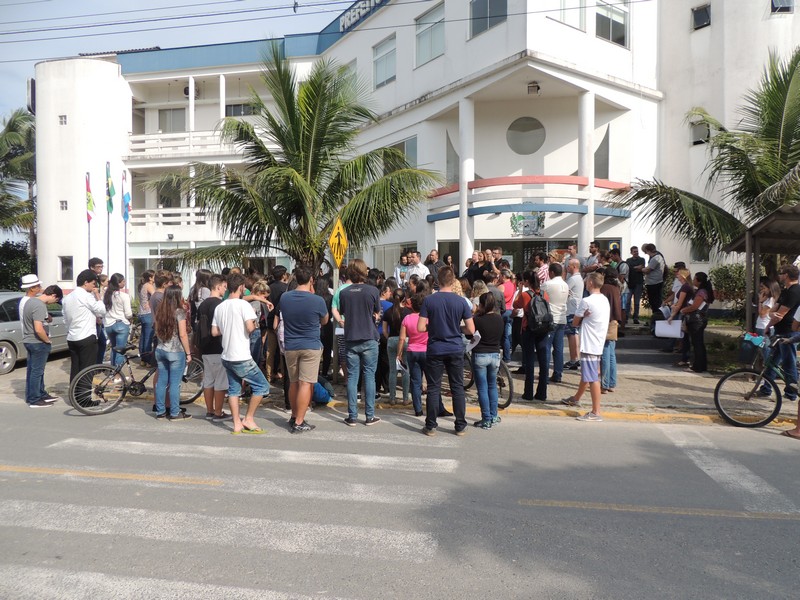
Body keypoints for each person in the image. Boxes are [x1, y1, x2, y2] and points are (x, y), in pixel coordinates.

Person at [418, 266, 475, 436]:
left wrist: (434, 326)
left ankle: (431, 425)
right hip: (455, 347)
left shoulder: (429, 300)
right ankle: (460, 425)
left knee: (434, 387)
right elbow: (471, 329)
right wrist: (456, 328)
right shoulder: (461, 302)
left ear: (437, 281)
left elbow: (421, 327)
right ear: (453, 281)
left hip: (435, 347)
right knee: (457, 387)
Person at [212, 272, 271, 434]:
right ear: (241, 287)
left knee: (234, 390)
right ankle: (249, 418)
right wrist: (253, 325)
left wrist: (229, 329)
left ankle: (237, 423)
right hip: (241, 355)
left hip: (227, 355)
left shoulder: (220, 306)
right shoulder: (244, 306)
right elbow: (250, 328)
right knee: (262, 386)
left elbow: (214, 332)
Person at [280, 266, 329, 433]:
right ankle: (300, 421)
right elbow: (324, 321)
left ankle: (294, 416)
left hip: (291, 345)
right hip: (310, 345)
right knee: (306, 383)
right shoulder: (317, 300)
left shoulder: (285, 297)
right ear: (311, 280)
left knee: (293, 382)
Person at [339, 259, 382, 426]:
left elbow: (343, 312)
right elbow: (377, 311)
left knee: (352, 377)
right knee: (369, 376)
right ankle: (370, 415)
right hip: (369, 337)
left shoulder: (344, 292)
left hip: (351, 337)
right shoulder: (372, 290)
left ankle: (352, 415)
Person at [561, 272, 610, 421]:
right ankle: (576, 398)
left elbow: (575, 322)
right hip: (598, 341)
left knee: (592, 377)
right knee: (587, 373)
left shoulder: (587, 301)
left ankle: (596, 411)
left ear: (590, 283)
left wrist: (581, 318)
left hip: (589, 343)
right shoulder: (604, 299)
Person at [63, 269, 106, 401]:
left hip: (72, 336)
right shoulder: (86, 296)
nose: (94, 286)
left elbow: (65, 319)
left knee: (76, 368)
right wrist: (98, 296)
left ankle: (75, 398)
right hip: (86, 336)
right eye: (93, 283)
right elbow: (102, 311)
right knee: (87, 370)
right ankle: (84, 400)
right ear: (85, 282)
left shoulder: (68, 297)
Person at [21, 276, 62, 407]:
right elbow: (38, 329)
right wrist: (47, 340)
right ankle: (34, 399)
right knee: (37, 371)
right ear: (53, 295)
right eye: (56, 300)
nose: (40, 288)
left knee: (34, 370)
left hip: (29, 340)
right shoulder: (38, 305)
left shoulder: (29, 302)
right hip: (37, 342)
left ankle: (38, 395)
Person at [195, 274, 231, 422]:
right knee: (220, 382)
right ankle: (218, 412)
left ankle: (210, 410)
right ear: (217, 287)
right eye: (224, 287)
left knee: (208, 381)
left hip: (205, 347)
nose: (225, 289)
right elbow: (221, 326)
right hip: (217, 346)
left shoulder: (203, 304)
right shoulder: (218, 305)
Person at [153, 287, 193, 421]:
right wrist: (188, 353)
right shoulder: (179, 312)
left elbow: (156, 328)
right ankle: (175, 412)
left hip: (161, 349)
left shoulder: (160, 310)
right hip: (176, 351)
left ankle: (160, 412)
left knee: (161, 382)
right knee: (175, 383)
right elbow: (183, 334)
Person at [513, 271, 550, 402]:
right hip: (543, 329)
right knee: (543, 361)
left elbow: (515, 305)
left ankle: (528, 393)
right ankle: (542, 393)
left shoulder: (524, 295)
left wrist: (521, 289)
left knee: (529, 361)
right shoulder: (545, 294)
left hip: (528, 328)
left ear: (527, 281)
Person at [471, 292, 504, 429]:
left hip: (480, 355)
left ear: (482, 305)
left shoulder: (477, 319)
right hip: (495, 355)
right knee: (492, 386)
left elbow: (469, 334)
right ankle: (494, 415)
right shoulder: (499, 319)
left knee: (482, 389)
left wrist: (476, 313)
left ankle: (486, 418)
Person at [397, 293, 428, 416]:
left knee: (415, 381)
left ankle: (418, 409)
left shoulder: (407, 318)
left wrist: (399, 354)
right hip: (426, 351)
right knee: (431, 380)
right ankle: (432, 406)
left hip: (412, 350)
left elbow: (402, 338)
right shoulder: (427, 318)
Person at [681, 272, 714, 374]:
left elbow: (695, 306)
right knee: (699, 344)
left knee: (697, 344)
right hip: (699, 320)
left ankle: (698, 366)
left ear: (699, 281)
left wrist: (684, 310)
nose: (693, 281)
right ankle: (702, 365)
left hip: (696, 321)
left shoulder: (701, 293)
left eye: (695, 279)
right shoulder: (702, 291)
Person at [383, 288, 410, 406]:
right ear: (404, 298)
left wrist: (390, 337)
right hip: (405, 341)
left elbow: (384, 330)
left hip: (392, 340)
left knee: (392, 370)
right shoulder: (408, 312)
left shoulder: (388, 311)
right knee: (405, 370)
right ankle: (405, 398)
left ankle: (392, 398)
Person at [542, 262, 569, 383]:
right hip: (562, 319)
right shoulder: (565, 285)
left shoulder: (548, 284)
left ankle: (545, 374)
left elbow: (540, 297)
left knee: (546, 347)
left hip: (551, 319)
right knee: (558, 349)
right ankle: (558, 374)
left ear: (552, 272)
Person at [100, 273, 133, 367]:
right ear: (118, 283)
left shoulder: (106, 295)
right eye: (123, 281)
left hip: (109, 325)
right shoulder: (124, 296)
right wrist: (131, 319)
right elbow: (128, 314)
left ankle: (113, 372)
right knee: (120, 350)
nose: (124, 283)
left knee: (114, 349)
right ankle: (117, 375)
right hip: (121, 324)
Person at [599, 267, 623, 393]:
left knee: (605, 354)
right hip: (614, 321)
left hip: (606, 321)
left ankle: (605, 384)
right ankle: (612, 382)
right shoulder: (616, 288)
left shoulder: (604, 288)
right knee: (612, 354)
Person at [666, 269, 694, 366]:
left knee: (684, 336)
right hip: (683, 312)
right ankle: (685, 357)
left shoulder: (685, 287)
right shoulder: (685, 286)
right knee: (684, 336)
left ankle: (685, 359)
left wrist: (672, 314)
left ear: (683, 276)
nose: (677, 275)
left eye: (678, 274)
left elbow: (680, 303)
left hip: (683, 313)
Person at [564, 258, 584, 370]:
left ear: (574, 266)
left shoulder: (573, 279)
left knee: (571, 334)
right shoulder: (578, 278)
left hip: (571, 309)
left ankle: (573, 359)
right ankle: (575, 358)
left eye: (569, 266)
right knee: (574, 333)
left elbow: (564, 290)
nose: (567, 268)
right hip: (575, 309)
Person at [88, 257, 107, 363]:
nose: (101, 268)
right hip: (94, 316)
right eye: (98, 267)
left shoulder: (97, 279)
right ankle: (95, 366)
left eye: (102, 266)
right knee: (98, 343)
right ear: (92, 267)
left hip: (98, 313)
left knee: (102, 342)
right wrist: (96, 316)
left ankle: (98, 366)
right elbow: (90, 299)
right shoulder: (91, 279)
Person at [639, 243, 666, 314]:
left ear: (648, 250)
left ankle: (657, 317)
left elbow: (648, 270)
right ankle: (656, 317)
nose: (646, 254)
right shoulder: (658, 256)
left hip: (654, 283)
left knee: (655, 302)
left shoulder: (655, 258)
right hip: (656, 282)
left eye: (645, 252)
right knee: (655, 301)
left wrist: (641, 269)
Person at [137, 270, 156, 365]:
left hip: (142, 313)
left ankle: (143, 358)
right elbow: (155, 296)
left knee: (143, 336)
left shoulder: (142, 286)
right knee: (148, 337)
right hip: (148, 313)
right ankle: (147, 359)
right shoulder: (149, 285)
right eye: (154, 276)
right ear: (150, 278)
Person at [626, 246, 645, 324]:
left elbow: (641, 267)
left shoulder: (642, 259)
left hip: (638, 283)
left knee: (637, 302)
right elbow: (628, 269)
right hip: (630, 283)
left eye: (637, 251)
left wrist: (635, 268)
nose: (636, 253)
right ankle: (626, 317)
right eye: (634, 251)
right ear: (631, 252)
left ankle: (636, 317)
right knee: (628, 301)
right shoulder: (628, 260)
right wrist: (636, 268)